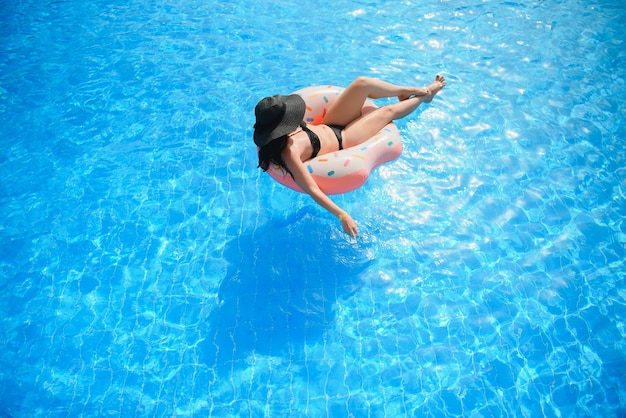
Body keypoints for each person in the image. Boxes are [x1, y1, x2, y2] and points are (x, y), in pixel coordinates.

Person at [254, 75, 446, 238]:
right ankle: (425, 95)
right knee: (387, 112)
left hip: (331, 123)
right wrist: (342, 216)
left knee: (362, 83)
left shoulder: (285, 129)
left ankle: (406, 91)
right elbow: (312, 189)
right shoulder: (289, 152)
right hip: (345, 138)